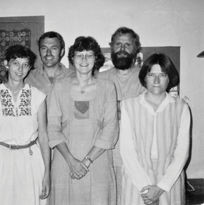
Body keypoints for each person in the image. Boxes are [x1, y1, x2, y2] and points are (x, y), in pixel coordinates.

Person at [48, 36, 118, 205]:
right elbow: (52, 128)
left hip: (97, 162)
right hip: (65, 162)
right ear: (72, 58)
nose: (84, 60)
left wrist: (86, 162)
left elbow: (110, 130)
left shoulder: (107, 87)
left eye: (89, 55)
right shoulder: (59, 86)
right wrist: (72, 162)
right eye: (79, 55)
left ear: (97, 58)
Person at [0, 45, 50, 205]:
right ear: (6, 64)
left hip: (30, 160)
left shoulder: (38, 97)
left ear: (30, 67)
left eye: (25, 64)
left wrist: (47, 173)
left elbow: (44, 136)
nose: (20, 69)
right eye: (16, 63)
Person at [119, 53, 190, 205]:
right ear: (144, 77)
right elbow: (127, 151)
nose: (156, 80)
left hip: (170, 180)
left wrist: (161, 187)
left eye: (162, 75)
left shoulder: (181, 108)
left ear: (170, 78)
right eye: (151, 74)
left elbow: (182, 152)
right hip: (136, 179)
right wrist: (145, 187)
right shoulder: (128, 106)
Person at [99, 26, 145, 204]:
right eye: (118, 44)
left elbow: (145, 114)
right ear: (111, 47)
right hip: (108, 154)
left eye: (128, 44)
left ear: (136, 48)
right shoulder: (100, 79)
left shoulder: (146, 78)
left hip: (138, 153)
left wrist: (116, 107)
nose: (122, 49)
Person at [25, 31, 72, 96]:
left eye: (54, 48)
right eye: (44, 48)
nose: (48, 53)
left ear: (61, 52)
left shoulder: (73, 77)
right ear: (39, 51)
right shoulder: (28, 78)